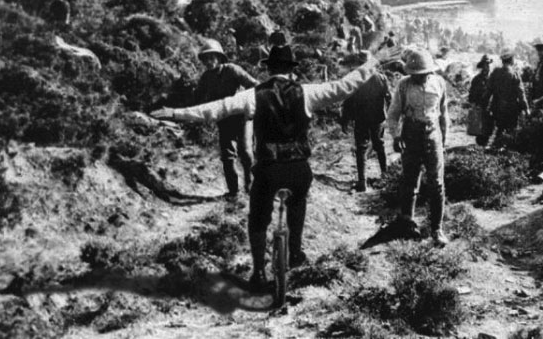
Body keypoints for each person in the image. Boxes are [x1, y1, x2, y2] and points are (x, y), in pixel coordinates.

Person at [152, 44, 379, 289]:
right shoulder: (307, 92)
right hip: (297, 167)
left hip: (268, 169)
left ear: (268, 69)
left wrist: (174, 113)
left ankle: (259, 271)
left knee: (258, 218)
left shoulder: (252, 95)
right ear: (291, 70)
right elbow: (344, 86)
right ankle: (295, 253)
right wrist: (371, 63)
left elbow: (214, 110)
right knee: (297, 204)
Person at [386, 49, 450, 247]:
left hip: (433, 135)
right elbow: (393, 113)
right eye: (415, 74)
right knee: (410, 180)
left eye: (421, 74)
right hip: (411, 134)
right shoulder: (404, 85)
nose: (418, 77)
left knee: (437, 184)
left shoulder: (439, 83)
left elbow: (443, 114)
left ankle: (436, 229)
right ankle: (408, 222)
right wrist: (396, 136)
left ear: (429, 72)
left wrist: (443, 140)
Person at [193, 39, 258, 200]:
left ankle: (250, 187)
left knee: (246, 152)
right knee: (228, 157)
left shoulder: (232, 70)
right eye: (206, 59)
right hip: (224, 120)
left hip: (242, 117)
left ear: (219, 57)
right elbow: (197, 98)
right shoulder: (206, 77)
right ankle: (233, 192)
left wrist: (253, 103)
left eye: (212, 57)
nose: (209, 62)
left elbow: (254, 85)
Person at [341, 55, 391, 192]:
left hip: (361, 118)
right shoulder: (381, 78)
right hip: (378, 118)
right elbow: (389, 98)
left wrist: (345, 119)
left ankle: (362, 181)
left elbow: (348, 101)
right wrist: (390, 116)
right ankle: (385, 175)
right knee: (379, 145)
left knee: (361, 148)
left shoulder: (355, 79)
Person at [483, 50, 529, 148]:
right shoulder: (515, 73)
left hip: (497, 107)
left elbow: (488, 90)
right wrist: (526, 108)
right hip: (511, 108)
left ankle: (496, 145)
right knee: (511, 130)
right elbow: (521, 93)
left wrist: (484, 104)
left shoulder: (495, 72)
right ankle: (506, 148)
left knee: (500, 127)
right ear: (511, 60)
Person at [468, 54, 493, 146]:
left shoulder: (493, 78)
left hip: (490, 106)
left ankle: (485, 142)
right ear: (482, 66)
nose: (487, 67)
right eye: (485, 65)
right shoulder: (476, 79)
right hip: (480, 105)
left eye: (488, 65)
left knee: (489, 126)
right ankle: (480, 143)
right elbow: (472, 93)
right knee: (480, 127)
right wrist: (473, 104)